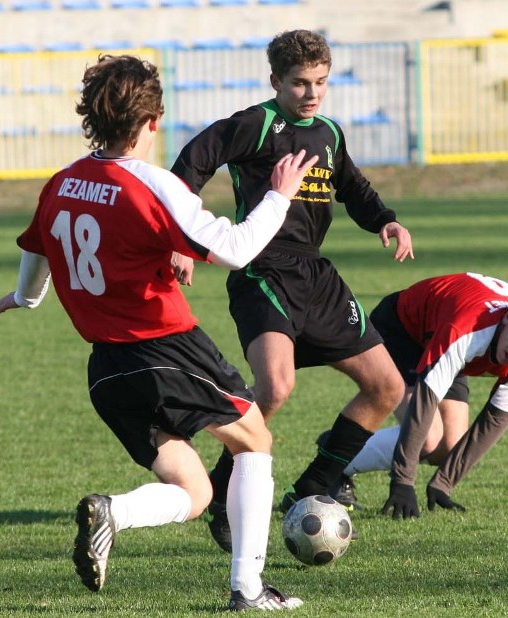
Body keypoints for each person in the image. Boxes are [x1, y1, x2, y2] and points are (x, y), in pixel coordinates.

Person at [0, 54, 319, 611]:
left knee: (194, 492)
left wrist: (26, 297)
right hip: (165, 347)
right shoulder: (152, 186)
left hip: (107, 370)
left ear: (92, 117)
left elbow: (37, 245)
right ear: (153, 121)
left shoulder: (63, 181)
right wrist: (279, 195)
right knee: (256, 441)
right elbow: (236, 252)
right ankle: (249, 590)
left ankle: (112, 512)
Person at [171, 29, 414, 552]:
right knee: (276, 388)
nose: (312, 93)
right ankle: (219, 492)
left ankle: (313, 486)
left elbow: (352, 186)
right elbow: (190, 165)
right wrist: (181, 240)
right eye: (301, 83)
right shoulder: (255, 125)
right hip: (263, 271)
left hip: (317, 278)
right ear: (276, 80)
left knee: (387, 389)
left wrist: (385, 222)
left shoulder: (327, 131)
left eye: (321, 82)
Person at [321, 272, 508, 519]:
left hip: (445, 338)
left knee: (448, 447)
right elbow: (425, 401)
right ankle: (336, 455)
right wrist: (403, 482)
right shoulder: (467, 330)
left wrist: (444, 482)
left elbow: (494, 421)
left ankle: (340, 446)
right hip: (402, 328)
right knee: (429, 437)